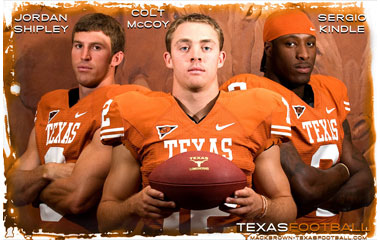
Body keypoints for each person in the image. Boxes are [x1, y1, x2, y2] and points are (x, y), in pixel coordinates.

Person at [97, 13, 296, 235]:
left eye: (206, 48)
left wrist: (262, 206)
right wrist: (133, 206)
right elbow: (105, 218)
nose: (195, 57)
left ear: (220, 59)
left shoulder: (256, 110)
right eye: (184, 48)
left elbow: (286, 210)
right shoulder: (136, 113)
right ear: (168, 59)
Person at [220, 9, 374, 227]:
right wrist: (345, 170)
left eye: (310, 44)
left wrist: (302, 200)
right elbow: (306, 187)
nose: (304, 54)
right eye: (291, 44)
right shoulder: (255, 93)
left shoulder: (330, 91)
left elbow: (366, 187)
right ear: (269, 49)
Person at [6, 13, 149, 234]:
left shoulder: (122, 102)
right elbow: (10, 187)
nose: (84, 56)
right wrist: (47, 171)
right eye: (78, 46)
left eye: (96, 48)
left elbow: (76, 197)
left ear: (116, 58)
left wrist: (31, 191)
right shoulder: (51, 104)